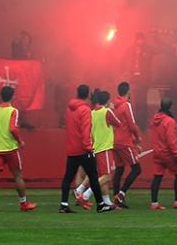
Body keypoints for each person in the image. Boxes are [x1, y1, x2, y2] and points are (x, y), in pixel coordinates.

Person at [0, 86, 37, 212]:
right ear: (13, 96)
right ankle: (23, 203)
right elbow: (13, 128)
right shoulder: (13, 111)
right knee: (18, 176)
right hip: (9, 148)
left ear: (1, 96)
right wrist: (20, 141)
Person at [59, 84, 108, 213]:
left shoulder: (69, 109)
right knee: (93, 176)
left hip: (72, 148)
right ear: (87, 95)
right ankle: (101, 204)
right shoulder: (85, 110)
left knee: (68, 177)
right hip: (83, 149)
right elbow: (85, 130)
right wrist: (88, 148)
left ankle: (64, 204)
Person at [150, 97, 177, 210]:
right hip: (168, 154)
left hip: (157, 152)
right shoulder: (170, 121)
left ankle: (154, 203)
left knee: (157, 177)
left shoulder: (155, 118)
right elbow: (171, 139)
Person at [112, 82, 142, 208]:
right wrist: (137, 137)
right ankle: (120, 195)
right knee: (136, 168)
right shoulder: (126, 105)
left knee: (120, 169)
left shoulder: (114, 105)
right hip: (124, 141)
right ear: (128, 91)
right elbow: (131, 124)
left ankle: (115, 197)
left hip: (115, 141)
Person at [91, 90, 122, 209]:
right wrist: (112, 109)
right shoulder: (107, 111)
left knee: (104, 175)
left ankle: (107, 202)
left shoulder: (92, 112)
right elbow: (118, 123)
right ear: (108, 101)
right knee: (108, 176)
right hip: (105, 147)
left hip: (96, 146)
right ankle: (85, 194)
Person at [121, 32, 154, 130]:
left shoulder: (148, 49)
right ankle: (136, 121)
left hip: (144, 79)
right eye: (138, 39)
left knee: (143, 101)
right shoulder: (130, 49)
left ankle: (143, 123)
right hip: (134, 79)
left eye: (141, 39)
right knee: (135, 101)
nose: (140, 41)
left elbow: (153, 56)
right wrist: (124, 71)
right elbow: (122, 60)